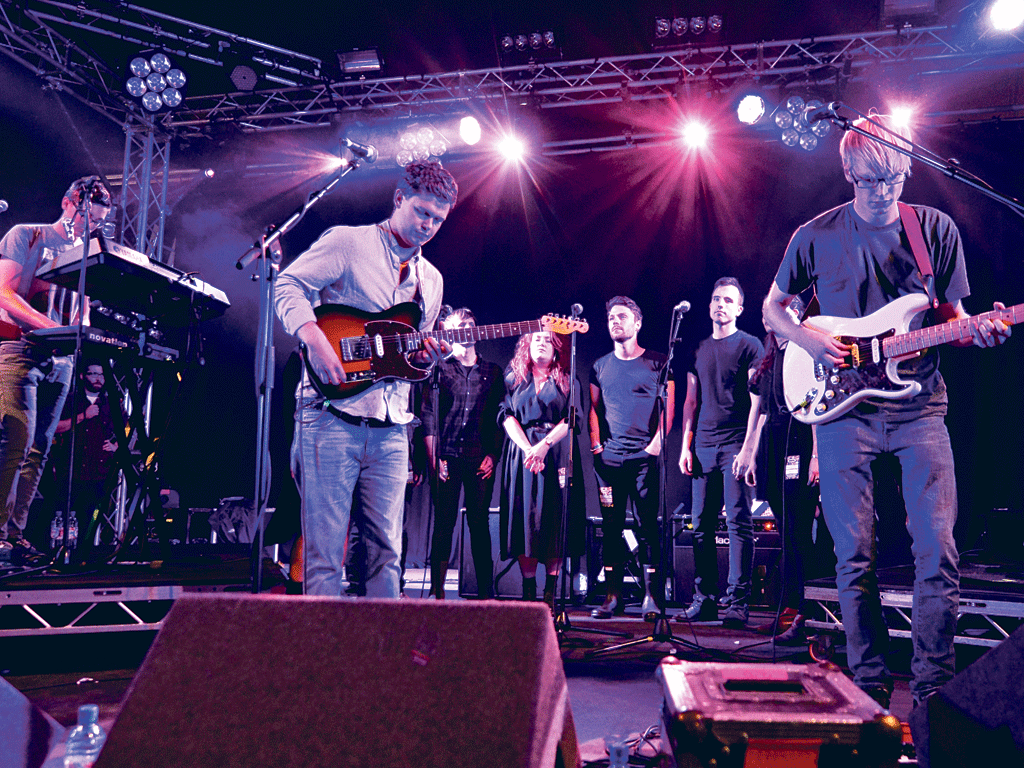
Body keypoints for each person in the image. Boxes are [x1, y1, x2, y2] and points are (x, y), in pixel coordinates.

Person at [763, 115, 1009, 708]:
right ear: (848, 172)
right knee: (855, 555)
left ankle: (931, 691)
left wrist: (979, 333)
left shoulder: (934, 229)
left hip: (919, 406)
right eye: (874, 180)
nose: (887, 192)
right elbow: (774, 311)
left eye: (897, 178)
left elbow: (952, 323)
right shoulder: (814, 234)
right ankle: (869, 685)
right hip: (843, 411)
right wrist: (809, 340)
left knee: (938, 550)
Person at [274, 160, 456, 598]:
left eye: (438, 219)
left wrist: (430, 357)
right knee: (324, 552)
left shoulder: (431, 281)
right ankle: (321, 660)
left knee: (387, 552)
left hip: (392, 428)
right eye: (422, 212)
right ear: (399, 200)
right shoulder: (347, 242)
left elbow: (410, 359)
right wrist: (315, 341)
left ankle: (381, 659)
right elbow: (288, 285)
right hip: (330, 416)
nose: (429, 224)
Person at [0, 176, 112, 565]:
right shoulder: (27, 235)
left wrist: (80, 332)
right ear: (68, 203)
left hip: (60, 361)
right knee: (15, 438)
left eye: (95, 222)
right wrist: (50, 328)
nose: (88, 226)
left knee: (39, 449)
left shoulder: (86, 256)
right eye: (85, 218)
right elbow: (4, 291)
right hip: (20, 348)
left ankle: (15, 536)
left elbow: (81, 308)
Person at [677, 277, 764, 627]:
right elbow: (691, 401)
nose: (720, 305)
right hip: (703, 446)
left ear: (739, 309)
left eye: (728, 300)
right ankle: (706, 599)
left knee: (738, 522)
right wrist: (686, 444)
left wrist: (749, 450)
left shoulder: (750, 345)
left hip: (736, 443)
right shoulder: (698, 348)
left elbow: (759, 401)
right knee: (700, 525)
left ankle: (737, 601)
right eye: (716, 299)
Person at [743, 297, 826, 641]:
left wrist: (817, 455)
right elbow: (760, 412)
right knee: (783, 525)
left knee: (797, 526)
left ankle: (807, 609)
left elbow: (818, 401)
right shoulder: (769, 358)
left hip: (799, 440)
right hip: (772, 443)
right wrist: (749, 451)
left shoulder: (804, 352)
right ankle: (789, 605)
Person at [588, 296, 674, 621]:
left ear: (637, 323)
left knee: (647, 527)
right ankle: (613, 598)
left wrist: (654, 446)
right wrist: (597, 445)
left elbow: (669, 409)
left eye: (621, 317)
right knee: (610, 528)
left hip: (644, 459)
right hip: (609, 462)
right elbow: (594, 409)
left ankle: (651, 597)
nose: (615, 322)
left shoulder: (658, 362)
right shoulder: (600, 366)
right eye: (611, 317)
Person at [422, 307, 504, 599]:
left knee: (479, 523)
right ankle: (438, 591)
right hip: (448, 457)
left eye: (471, 323)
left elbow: (499, 419)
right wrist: (434, 458)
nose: (467, 328)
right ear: (450, 332)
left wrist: (493, 456)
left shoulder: (492, 372)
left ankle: (485, 593)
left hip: (478, 457)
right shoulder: (440, 370)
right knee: (444, 522)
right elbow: (429, 416)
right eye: (460, 325)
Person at [498, 330, 583, 611]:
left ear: (556, 348)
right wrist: (528, 449)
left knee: (554, 518)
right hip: (523, 455)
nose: (542, 344)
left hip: (556, 451)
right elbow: (506, 416)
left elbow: (571, 419)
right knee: (525, 521)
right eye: (536, 340)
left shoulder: (568, 380)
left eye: (548, 340)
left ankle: (549, 594)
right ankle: (528, 594)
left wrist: (544, 445)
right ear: (527, 346)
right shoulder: (513, 379)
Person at [52, 361, 118, 540]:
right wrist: (83, 416)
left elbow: (129, 431)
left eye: (102, 375)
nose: (98, 379)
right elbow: (54, 427)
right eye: (94, 374)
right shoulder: (69, 400)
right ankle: (61, 554)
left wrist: (116, 446)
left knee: (92, 515)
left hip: (98, 473)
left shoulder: (112, 403)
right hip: (70, 471)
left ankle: (84, 555)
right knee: (62, 517)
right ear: (83, 376)